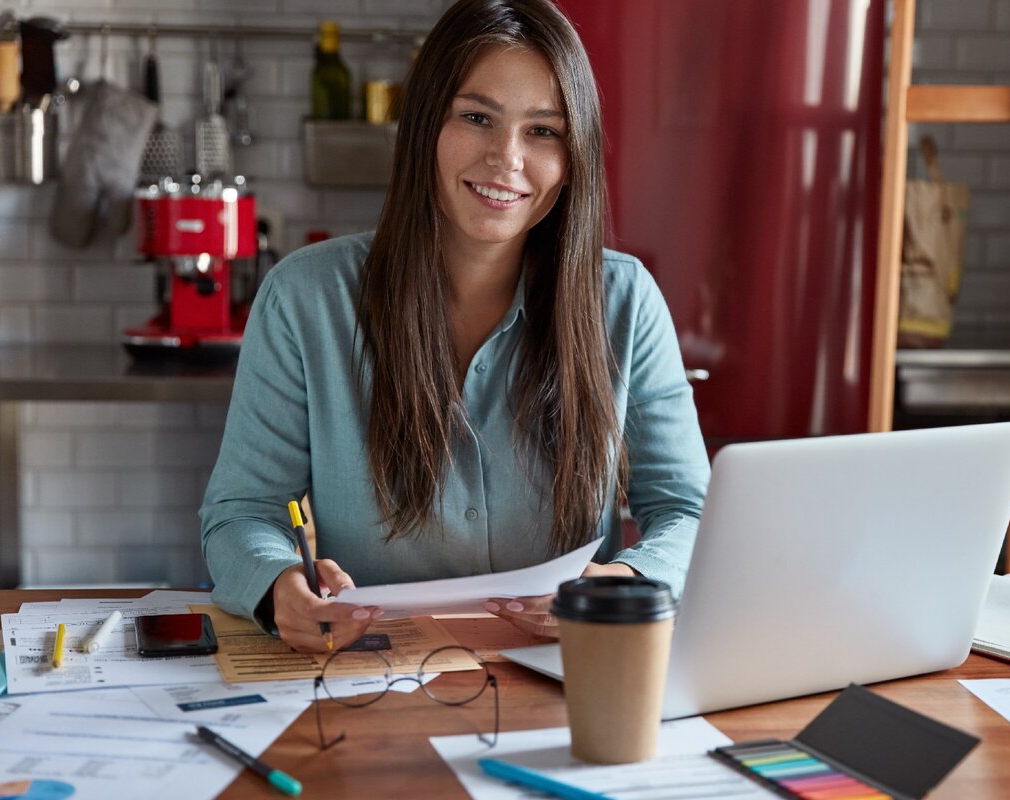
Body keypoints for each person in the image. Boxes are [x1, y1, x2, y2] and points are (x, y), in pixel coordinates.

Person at [200, 0, 709, 654]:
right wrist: (276, 589)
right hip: (371, 677)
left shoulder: (626, 300)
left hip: (569, 680)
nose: (507, 159)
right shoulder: (305, 299)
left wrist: (624, 582)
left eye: (543, 132)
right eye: (476, 118)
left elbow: (690, 514)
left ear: (574, 152)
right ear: (424, 126)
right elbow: (243, 513)